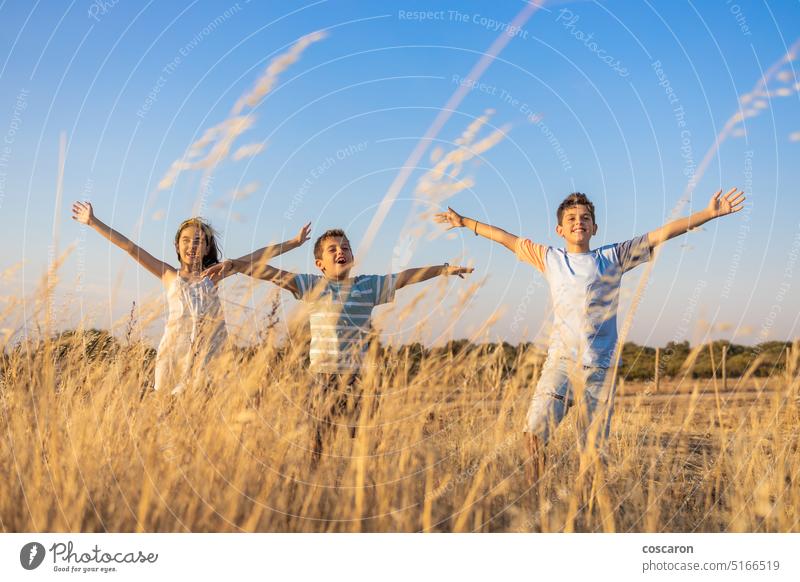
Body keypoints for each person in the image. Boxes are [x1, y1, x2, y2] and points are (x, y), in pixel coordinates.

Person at [435, 188, 746, 483]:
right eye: (571, 219)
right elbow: (505, 238)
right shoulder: (550, 258)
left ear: (595, 227)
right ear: (560, 230)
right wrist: (464, 222)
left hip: (600, 369)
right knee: (533, 432)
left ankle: (586, 511)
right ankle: (533, 494)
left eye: (584, 218)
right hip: (561, 364)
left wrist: (707, 213)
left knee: (593, 453)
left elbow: (661, 233)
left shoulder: (614, 256)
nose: (578, 223)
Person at [206, 227, 473, 462]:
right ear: (320, 263)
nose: (340, 252)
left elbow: (405, 277)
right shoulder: (312, 286)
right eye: (332, 249)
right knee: (318, 443)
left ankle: (364, 486)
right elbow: (272, 273)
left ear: (352, 257)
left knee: (368, 443)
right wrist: (236, 265)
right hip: (323, 377)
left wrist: (443, 269)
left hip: (360, 377)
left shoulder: (368, 286)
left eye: (345, 247)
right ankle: (316, 484)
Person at [71, 200, 310, 393]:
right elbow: (130, 247)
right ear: (177, 245)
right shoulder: (168, 274)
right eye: (186, 240)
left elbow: (257, 257)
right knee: (167, 414)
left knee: (204, 413)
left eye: (198, 241)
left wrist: (294, 243)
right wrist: (93, 222)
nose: (192, 246)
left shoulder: (213, 276)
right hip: (173, 354)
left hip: (208, 356)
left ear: (206, 248)